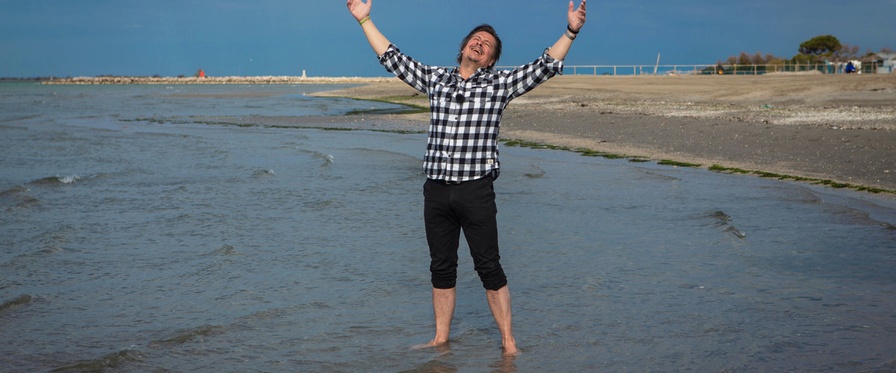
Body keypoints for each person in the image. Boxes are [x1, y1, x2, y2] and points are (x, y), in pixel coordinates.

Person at [347, 0, 587, 356]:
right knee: (441, 268)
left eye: (486, 45)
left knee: (489, 266)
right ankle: (441, 338)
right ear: (463, 47)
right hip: (437, 191)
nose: (479, 44)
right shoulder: (436, 79)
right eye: (475, 39)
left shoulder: (500, 84)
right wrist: (364, 19)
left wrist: (571, 30)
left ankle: (508, 343)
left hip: (476, 191)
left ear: (490, 60)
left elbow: (546, 65)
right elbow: (393, 58)